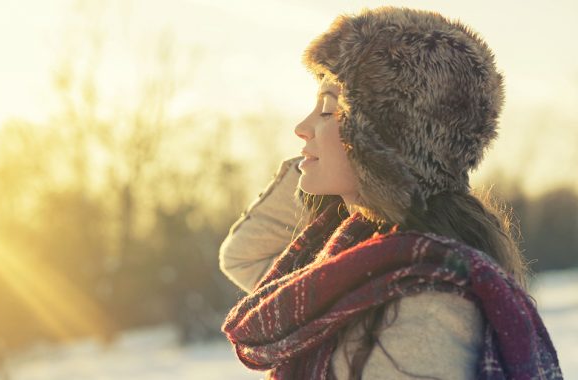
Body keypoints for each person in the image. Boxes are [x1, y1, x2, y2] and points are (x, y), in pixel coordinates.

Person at [219, 6, 562, 380]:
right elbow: (244, 255)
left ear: (382, 135)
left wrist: (352, 163)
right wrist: (324, 164)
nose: (302, 127)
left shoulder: (426, 304)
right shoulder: (350, 259)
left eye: (329, 110)